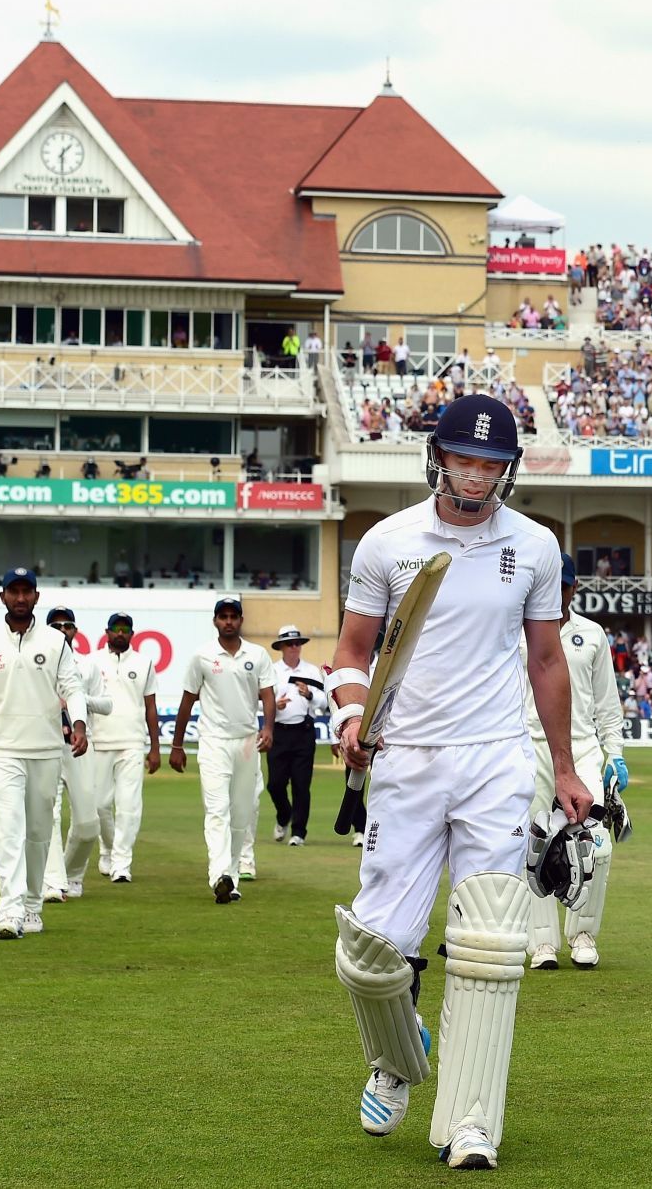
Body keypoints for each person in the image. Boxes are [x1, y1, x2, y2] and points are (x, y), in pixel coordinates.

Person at [328, 393, 589, 1169]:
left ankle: (473, 1118)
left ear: (508, 470)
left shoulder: (535, 547)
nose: (475, 476)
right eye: (463, 459)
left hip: (497, 759)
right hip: (405, 755)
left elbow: (546, 661)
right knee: (374, 947)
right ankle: (396, 1057)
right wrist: (349, 714)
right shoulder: (387, 541)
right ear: (437, 457)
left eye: (491, 464)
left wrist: (566, 765)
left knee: (488, 938)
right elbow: (351, 649)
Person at [0, 568, 90, 939]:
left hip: (47, 749)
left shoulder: (55, 642)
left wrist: (79, 724)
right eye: (13, 591)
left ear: (36, 596)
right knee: (6, 832)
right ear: (2, 596)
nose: (20, 598)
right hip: (1, 749)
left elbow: (73, 687)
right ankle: (10, 911)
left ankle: (33, 905)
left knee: (37, 832)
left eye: (27, 591)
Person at [525, 554, 630, 970]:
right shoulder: (518, 631)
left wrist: (615, 755)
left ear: (575, 586)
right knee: (533, 845)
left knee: (596, 847)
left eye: (564, 586)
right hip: (528, 745)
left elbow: (607, 703)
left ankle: (583, 933)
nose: (558, 593)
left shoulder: (592, 634)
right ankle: (542, 943)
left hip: (582, 746)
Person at [169, 598, 275, 904]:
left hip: (246, 741)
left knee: (242, 813)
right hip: (213, 740)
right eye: (223, 617)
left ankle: (232, 876)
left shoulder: (257, 654)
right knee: (217, 811)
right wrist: (177, 745)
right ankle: (219, 875)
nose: (228, 621)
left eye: (233, 616)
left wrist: (268, 728)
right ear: (215, 621)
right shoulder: (202, 655)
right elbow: (187, 701)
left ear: (240, 620)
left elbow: (267, 695)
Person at [41, 607, 114, 902]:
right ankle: (52, 882)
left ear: (75, 630)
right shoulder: (36, 662)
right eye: (55, 625)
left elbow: (108, 705)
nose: (62, 629)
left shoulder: (87, 666)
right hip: (44, 744)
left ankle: (71, 873)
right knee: (49, 815)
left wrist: (74, 699)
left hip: (81, 746)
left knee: (87, 824)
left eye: (67, 625)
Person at [88, 613, 160, 883]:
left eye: (125, 629)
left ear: (132, 633)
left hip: (131, 742)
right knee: (99, 805)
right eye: (116, 629)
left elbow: (150, 707)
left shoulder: (144, 663)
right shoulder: (92, 661)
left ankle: (121, 863)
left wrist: (154, 748)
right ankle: (107, 848)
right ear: (107, 631)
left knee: (129, 806)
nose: (120, 633)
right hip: (99, 741)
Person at [266, 624, 325, 847]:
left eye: (297, 643)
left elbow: (324, 702)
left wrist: (309, 694)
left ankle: (299, 832)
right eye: (290, 644)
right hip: (279, 731)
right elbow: (259, 700)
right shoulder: (272, 671)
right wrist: (274, 705)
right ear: (281, 647)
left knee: (301, 785)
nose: (294, 648)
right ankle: (284, 815)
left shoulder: (310, 671)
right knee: (275, 784)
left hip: (303, 732)